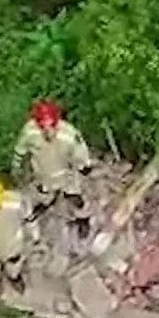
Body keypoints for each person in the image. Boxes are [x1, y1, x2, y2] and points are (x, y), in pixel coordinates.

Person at [11, 99, 94, 237]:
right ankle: (46, 203)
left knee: (75, 198)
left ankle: (82, 218)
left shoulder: (69, 133)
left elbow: (81, 149)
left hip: (67, 173)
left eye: (51, 126)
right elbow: (20, 149)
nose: (48, 130)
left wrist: (85, 164)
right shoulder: (29, 132)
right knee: (44, 194)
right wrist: (16, 165)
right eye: (43, 126)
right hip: (43, 173)